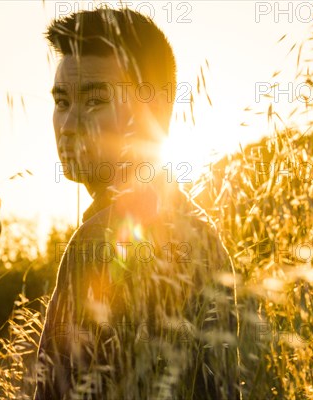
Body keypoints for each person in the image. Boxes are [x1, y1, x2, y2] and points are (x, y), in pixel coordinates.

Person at [34, 8, 242, 399]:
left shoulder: (96, 243)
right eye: (61, 101)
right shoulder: (205, 239)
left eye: (95, 101)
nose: (69, 124)